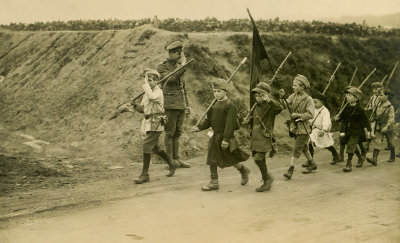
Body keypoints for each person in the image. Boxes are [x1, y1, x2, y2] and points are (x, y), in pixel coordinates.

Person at [192, 79, 250, 191]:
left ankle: (243, 170)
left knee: (230, 157)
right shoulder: (213, 105)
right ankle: (214, 182)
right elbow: (208, 121)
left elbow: (229, 124)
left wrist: (226, 139)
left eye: (219, 91)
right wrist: (198, 128)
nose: (216, 93)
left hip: (225, 137)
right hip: (215, 136)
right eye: (214, 91)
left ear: (225, 92)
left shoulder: (230, 106)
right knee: (212, 158)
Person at [132, 69, 179, 184]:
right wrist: (134, 105)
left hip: (156, 122)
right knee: (154, 147)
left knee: (146, 145)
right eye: (147, 80)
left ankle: (145, 174)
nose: (148, 83)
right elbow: (143, 109)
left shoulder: (158, 92)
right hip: (148, 122)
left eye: (150, 81)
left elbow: (152, 97)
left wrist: (146, 86)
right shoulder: (147, 93)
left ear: (157, 81)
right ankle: (171, 162)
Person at [242, 82, 283, 192]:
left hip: (264, 137)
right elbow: (256, 119)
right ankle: (267, 180)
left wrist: (269, 100)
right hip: (256, 137)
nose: (258, 98)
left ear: (265, 95)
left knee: (258, 159)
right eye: (256, 95)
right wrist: (249, 120)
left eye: (260, 95)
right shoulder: (256, 106)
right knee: (260, 160)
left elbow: (280, 108)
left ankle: (267, 178)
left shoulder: (270, 106)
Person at [156, 41, 191, 168]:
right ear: (170, 53)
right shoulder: (162, 67)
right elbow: (171, 79)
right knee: (169, 133)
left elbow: (183, 87)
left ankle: (177, 160)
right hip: (170, 104)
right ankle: (170, 161)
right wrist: (182, 65)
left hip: (180, 104)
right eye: (176, 53)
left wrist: (187, 104)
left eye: (180, 52)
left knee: (177, 132)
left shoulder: (179, 66)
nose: (179, 55)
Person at [279, 74, 316, 179]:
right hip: (295, 127)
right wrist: (282, 98)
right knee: (303, 147)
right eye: (293, 85)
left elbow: (311, 114)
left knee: (296, 148)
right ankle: (312, 163)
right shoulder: (292, 96)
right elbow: (284, 105)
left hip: (303, 128)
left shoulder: (309, 99)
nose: (293, 87)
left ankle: (290, 170)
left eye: (295, 85)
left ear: (302, 87)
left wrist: (298, 115)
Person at [334, 87, 371, 172]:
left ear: (356, 98)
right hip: (347, 130)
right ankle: (360, 157)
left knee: (351, 145)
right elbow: (342, 118)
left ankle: (348, 163)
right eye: (347, 95)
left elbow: (366, 121)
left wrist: (369, 132)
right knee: (348, 143)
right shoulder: (346, 107)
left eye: (350, 95)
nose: (347, 96)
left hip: (356, 131)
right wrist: (337, 118)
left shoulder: (360, 110)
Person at [306, 91, 339, 164]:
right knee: (310, 143)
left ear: (322, 102)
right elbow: (311, 118)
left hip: (322, 131)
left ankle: (336, 155)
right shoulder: (313, 110)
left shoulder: (325, 111)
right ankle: (310, 161)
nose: (314, 104)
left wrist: (324, 130)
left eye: (316, 102)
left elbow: (326, 121)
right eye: (313, 102)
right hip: (315, 130)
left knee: (326, 145)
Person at [366, 88, 395, 165]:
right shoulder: (378, 104)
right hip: (379, 126)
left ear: (387, 96)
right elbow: (374, 114)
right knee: (377, 141)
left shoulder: (390, 107)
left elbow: (392, 118)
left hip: (388, 128)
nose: (379, 97)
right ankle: (374, 159)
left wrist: (387, 127)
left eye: (381, 95)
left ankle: (392, 156)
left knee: (391, 143)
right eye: (378, 95)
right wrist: (372, 119)